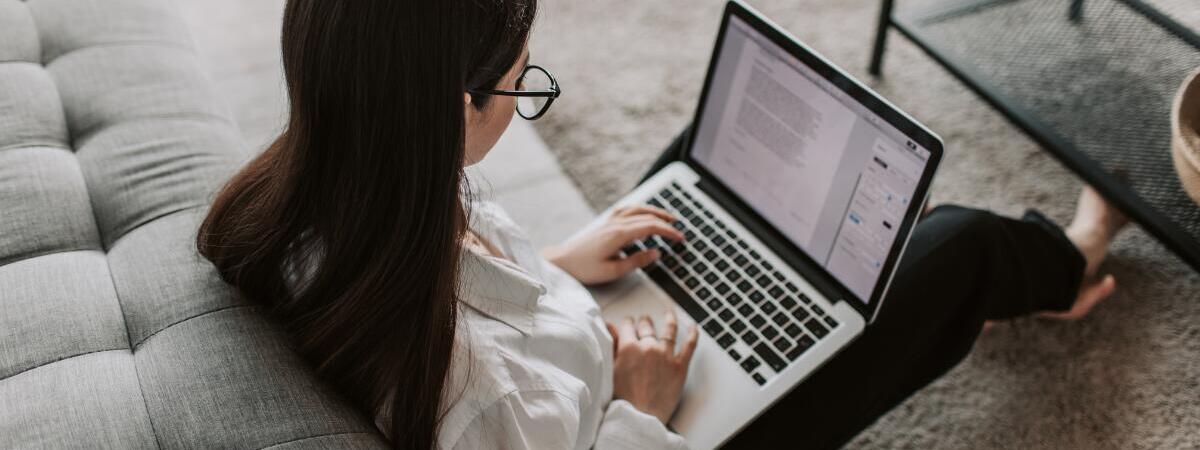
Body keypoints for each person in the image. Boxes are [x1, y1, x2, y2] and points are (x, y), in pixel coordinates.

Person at [195, 1, 1128, 448]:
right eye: (521, 85)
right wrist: (638, 411)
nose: (526, 91)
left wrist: (556, 263)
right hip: (654, 422)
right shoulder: (478, 404)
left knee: (704, 164)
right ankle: (1070, 263)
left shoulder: (327, 191)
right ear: (449, 107)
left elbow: (439, 281)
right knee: (957, 247)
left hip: (579, 337)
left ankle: (855, 244)